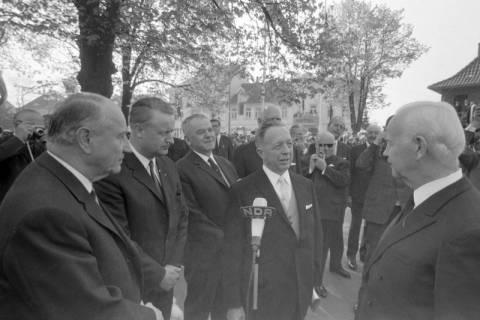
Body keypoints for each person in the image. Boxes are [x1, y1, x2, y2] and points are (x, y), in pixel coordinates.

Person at [0, 92, 165, 320]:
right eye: (120, 137)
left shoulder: (62, 181)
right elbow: (84, 311)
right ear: (85, 139)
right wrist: (153, 315)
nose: (127, 148)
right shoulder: (46, 211)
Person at [356, 101, 480, 320]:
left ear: (419, 147)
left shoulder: (469, 230)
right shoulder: (421, 196)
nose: (385, 153)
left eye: (390, 144)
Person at [95, 97, 188, 320]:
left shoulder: (166, 165)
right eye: (163, 133)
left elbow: (181, 216)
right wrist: (158, 274)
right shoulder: (113, 172)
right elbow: (118, 236)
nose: (171, 140)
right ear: (137, 130)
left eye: (172, 132)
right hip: (132, 286)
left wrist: (172, 266)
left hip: (167, 280)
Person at [223, 119, 323, 320]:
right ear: (261, 152)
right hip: (262, 294)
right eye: (278, 146)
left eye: (289, 144)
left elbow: (316, 235)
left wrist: (314, 281)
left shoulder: (305, 186)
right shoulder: (243, 191)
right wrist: (233, 303)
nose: (286, 151)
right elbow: (232, 250)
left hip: (299, 289)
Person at [176, 114, 238, 320]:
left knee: (224, 307)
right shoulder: (181, 169)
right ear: (187, 140)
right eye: (200, 132)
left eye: (210, 129)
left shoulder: (225, 164)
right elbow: (191, 214)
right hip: (203, 257)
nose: (208, 134)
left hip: (230, 255)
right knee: (198, 310)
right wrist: (225, 238)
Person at [355, 119, 411, 265]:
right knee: (372, 254)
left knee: (394, 256)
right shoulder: (378, 150)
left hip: (404, 209)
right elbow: (361, 164)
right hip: (379, 209)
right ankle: (367, 286)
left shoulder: (409, 148)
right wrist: (376, 142)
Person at [307, 131, 351, 292]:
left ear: (334, 145)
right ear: (316, 144)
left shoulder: (341, 162)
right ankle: (313, 281)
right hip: (312, 211)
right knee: (315, 248)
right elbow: (301, 182)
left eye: (329, 145)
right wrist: (311, 169)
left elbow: (344, 181)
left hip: (331, 213)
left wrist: (325, 169)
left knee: (326, 246)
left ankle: (323, 277)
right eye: (321, 144)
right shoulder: (309, 159)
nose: (325, 148)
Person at [346, 124, 381, 270]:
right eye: (370, 132)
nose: (373, 135)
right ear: (366, 134)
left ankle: (364, 253)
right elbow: (350, 173)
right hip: (358, 195)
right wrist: (348, 194)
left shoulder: (382, 150)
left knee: (369, 227)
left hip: (375, 197)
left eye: (375, 133)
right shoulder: (355, 150)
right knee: (355, 226)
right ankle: (351, 255)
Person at [0, 108, 46, 202]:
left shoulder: (38, 146)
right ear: (18, 124)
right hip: (6, 202)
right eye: (32, 125)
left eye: (41, 127)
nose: (38, 129)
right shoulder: (5, 141)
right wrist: (18, 139)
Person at [232, 106, 282, 178]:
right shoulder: (242, 152)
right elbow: (238, 185)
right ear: (259, 121)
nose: (275, 122)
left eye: (278, 119)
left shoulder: (290, 150)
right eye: (271, 119)